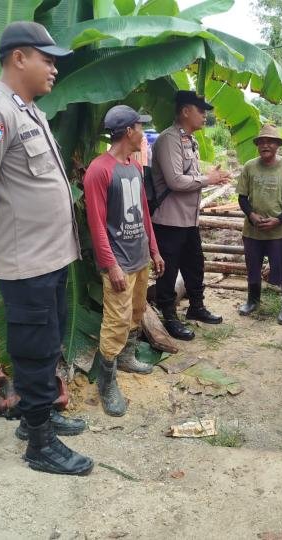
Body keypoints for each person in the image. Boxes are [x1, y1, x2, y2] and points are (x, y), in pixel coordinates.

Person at [0, 21, 93, 476]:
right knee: (33, 350)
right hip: (25, 260)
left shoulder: (28, 111)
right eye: (46, 58)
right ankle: (39, 443)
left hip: (49, 256)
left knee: (47, 342)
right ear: (19, 58)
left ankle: (43, 415)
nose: (53, 68)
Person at [83, 105, 164, 416]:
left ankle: (128, 358)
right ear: (128, 131)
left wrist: (154, 250)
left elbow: (144, 213)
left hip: (140, 257)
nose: (143, 133)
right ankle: (107, 382)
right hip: (119, 262)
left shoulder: (133, 166)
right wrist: (111, 265)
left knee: (136, 312)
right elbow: (96, 223)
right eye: (139, 128)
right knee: (115, 322)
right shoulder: (99, 170)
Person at [150, 90, 231, 340]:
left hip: (188, 220)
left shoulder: (190, 140)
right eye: (200, 110)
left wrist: (209, 176)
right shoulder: (168, 140)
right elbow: (175, 181)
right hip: (169, 221)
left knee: (195, 265)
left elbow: (189, 176)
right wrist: (208, 179)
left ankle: (196, 307)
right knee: (169, 271)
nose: (205, 115)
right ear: (185, 111)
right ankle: (169, 315)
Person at [236, 124, 282, 324]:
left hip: (277, 231)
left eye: (270, 142)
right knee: (253, 267)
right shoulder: (249, 166)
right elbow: (242, 197)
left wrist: (279, 219)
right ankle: (253, 300)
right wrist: (251, 216)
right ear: (257, 145)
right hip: (252, 230)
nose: (265, 145)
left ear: (277, 145)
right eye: (262, 142)